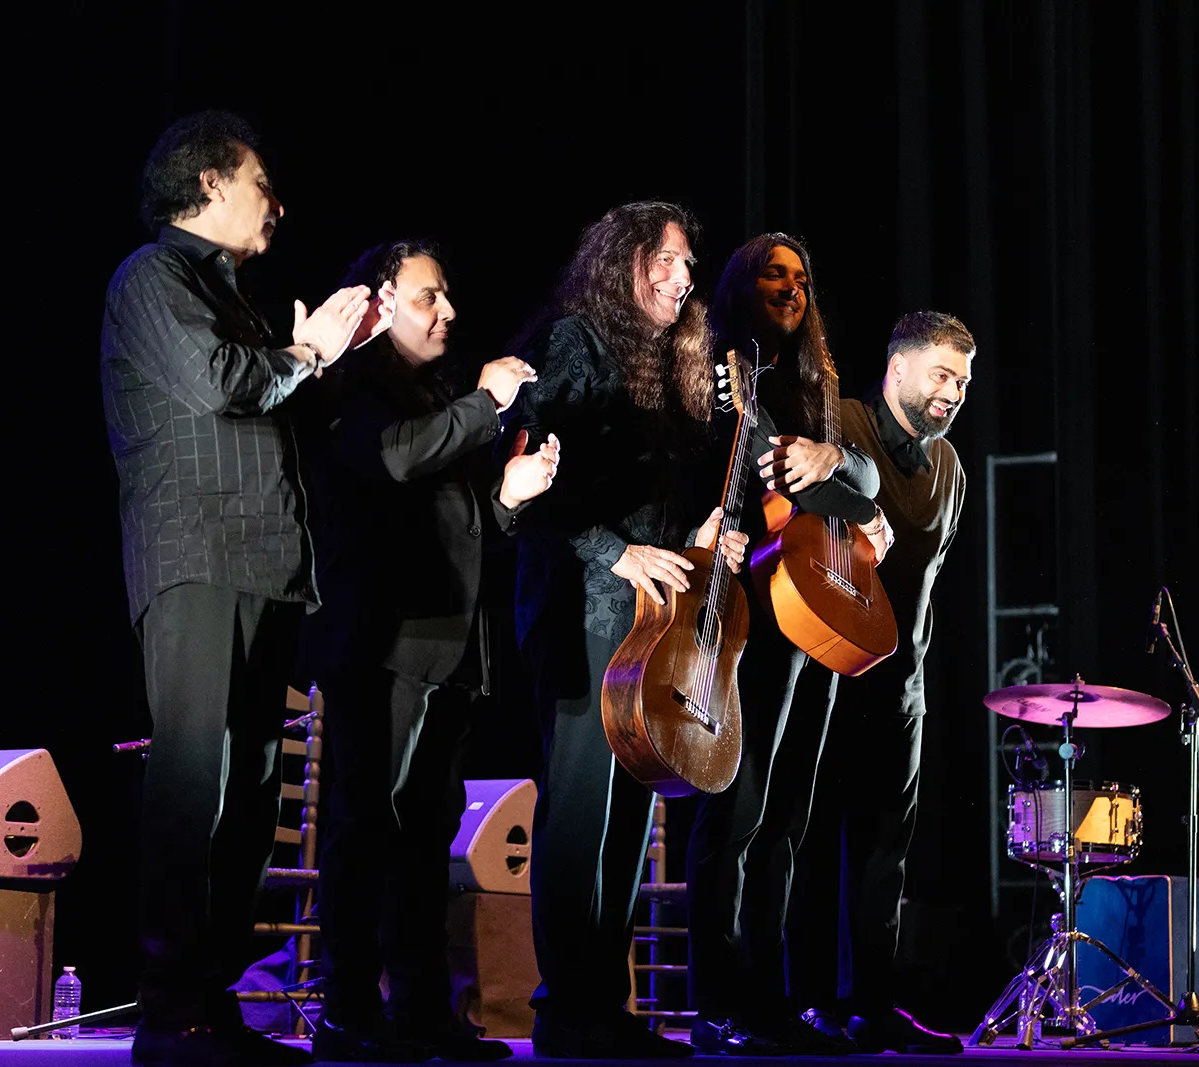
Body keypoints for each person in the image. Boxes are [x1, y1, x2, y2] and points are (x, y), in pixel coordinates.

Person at [100, 110, 392, 1067]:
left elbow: (281, 409)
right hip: (195, 557)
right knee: (195, 781)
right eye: (261, 183)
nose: (276, 203)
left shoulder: (239, 296)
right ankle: (168, 1007)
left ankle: (207, 1000)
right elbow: (221, 381)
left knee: (254, 789)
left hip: (264, 562)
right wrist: (306, 356)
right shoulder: (152, 277)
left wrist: (335, 352)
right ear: (212, 184)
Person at [298, 239, 561, 1062]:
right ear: (376, 305)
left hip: (453, 646)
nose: (446, 311)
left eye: (445, 296)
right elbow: (394, 459)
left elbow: (457, 517)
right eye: (427, 297)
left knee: (424, 836)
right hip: (384, 643)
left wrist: (508, 500)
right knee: (365, 825)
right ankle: (347, 1008)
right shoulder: (352, 384)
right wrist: (487, 403)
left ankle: (420, 1010)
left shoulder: (435, 391)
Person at [508, 201, 747, 1059]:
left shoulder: (662, 367)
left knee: (627, 817)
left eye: (689, 266)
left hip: (642, 614)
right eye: (671, 261)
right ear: (627, 260)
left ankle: (599, 1006)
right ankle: (567, 1009)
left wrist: (696, 539)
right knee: (581, 815)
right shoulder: (575, 339)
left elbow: (653, 506)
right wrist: (620, 552)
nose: (685, 280)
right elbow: (534, 485)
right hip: (580, 603)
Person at [685, 233, 888, 1056]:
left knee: (789, 817)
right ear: (742, 284)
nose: (790, 288)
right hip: (742, 610)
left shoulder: (818, 384)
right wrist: (828, 478)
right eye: (774, 275)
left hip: (811, 614)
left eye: (801, 277)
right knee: (736, 813)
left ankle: (768, 996)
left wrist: (839, 463)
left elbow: (858, 482)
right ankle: (718, 1002)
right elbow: (762, 477)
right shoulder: (721, 372)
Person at [784, 310, 973, 1054]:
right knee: (810, 840)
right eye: (940, 374)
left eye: (961, 380)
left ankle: (873, 1002)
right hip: (827, 669)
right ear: (898, 370)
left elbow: (927, 579)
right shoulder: (845, 423)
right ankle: (806, 1003)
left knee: (884, 852)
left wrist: (914, 671)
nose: (952, 391)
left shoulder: (951, 466)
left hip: (902, 685)